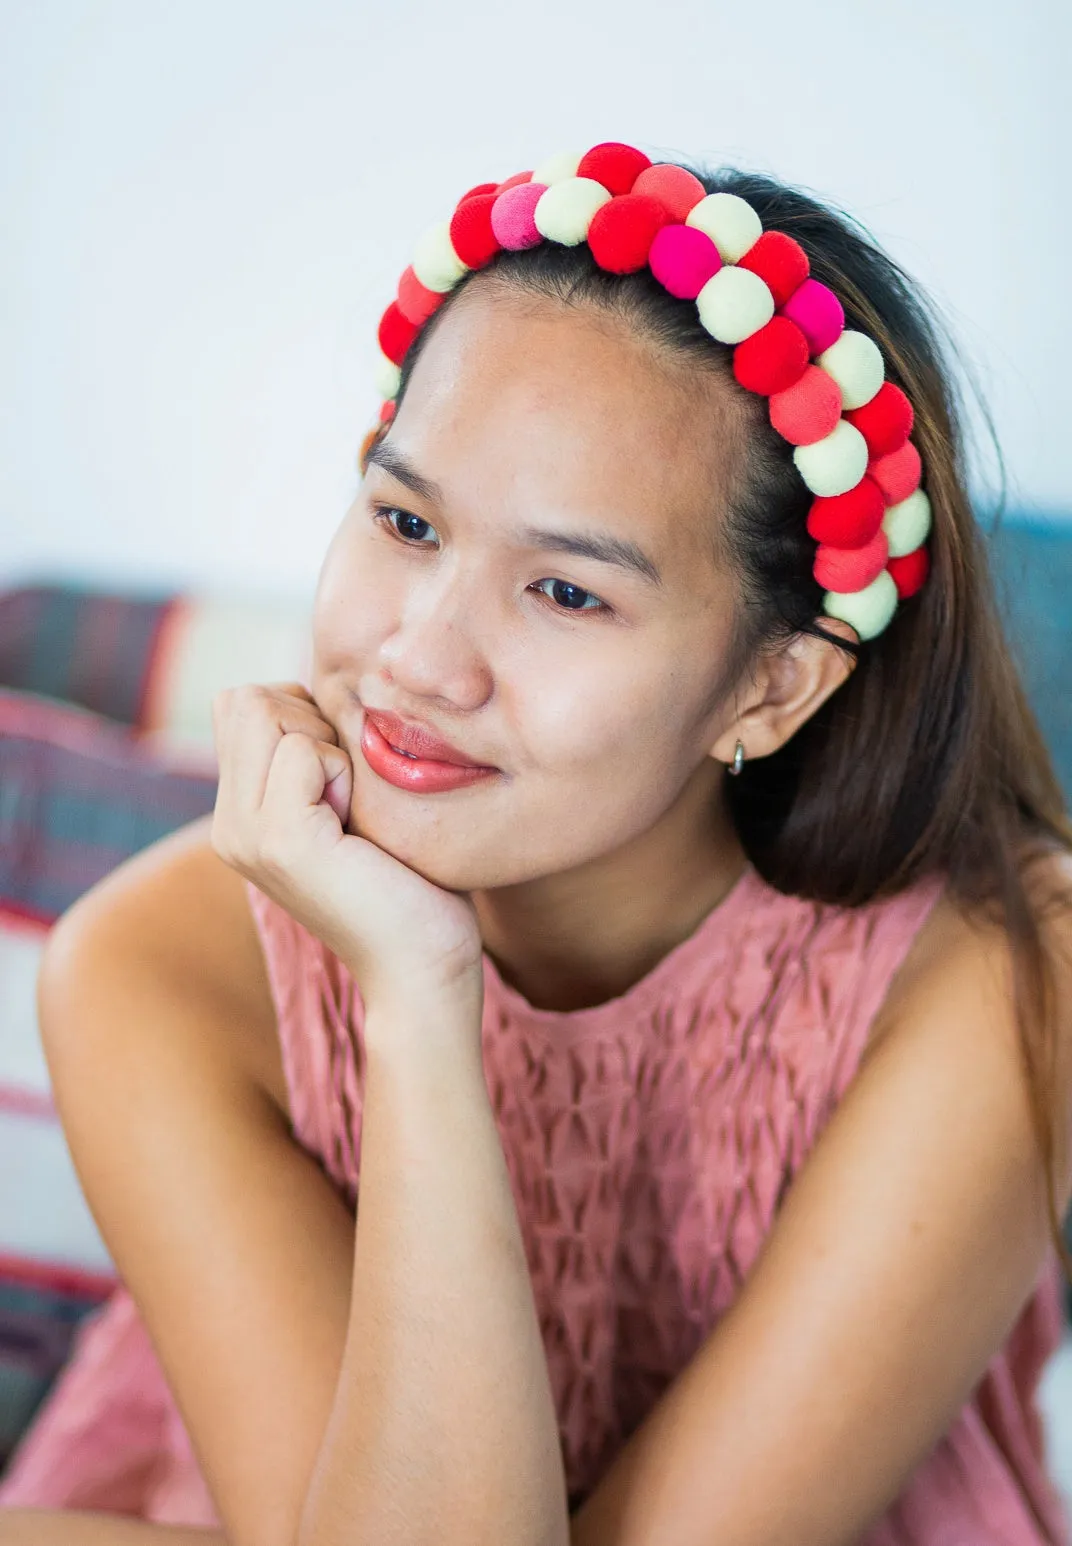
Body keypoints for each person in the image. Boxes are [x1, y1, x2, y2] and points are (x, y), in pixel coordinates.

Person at [1, 138, 1071, 1546]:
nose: (419, 656)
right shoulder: (150, 962)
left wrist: (418, 991)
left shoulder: (1007, 971)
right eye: (404, 519)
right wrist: (413, 985)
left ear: (772, 685)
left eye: (565, 591)